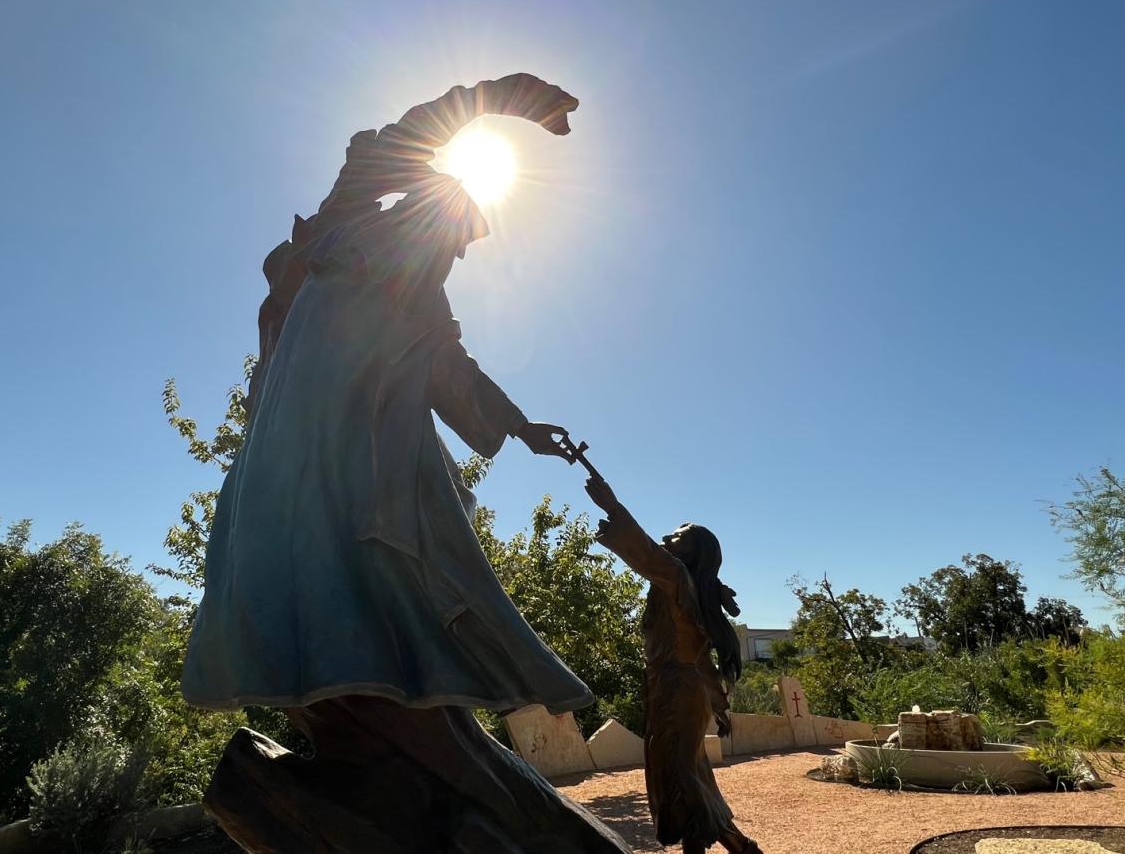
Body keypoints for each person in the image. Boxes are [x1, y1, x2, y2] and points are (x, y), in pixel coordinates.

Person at [184, 75, 629, 852]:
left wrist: (522, 428)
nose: (456, 253)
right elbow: (400, 137)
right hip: (301, 441)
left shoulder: (422, 302)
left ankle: (392, 719)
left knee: (386, 567)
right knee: (298, 555)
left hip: (372, 454)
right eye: (454, 235)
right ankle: (340, 704)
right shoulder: (347, 223)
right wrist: (508, 98)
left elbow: (453, 371)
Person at [584, 475, 762, 854]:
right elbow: (701, 656)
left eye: (677, 538)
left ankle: (715, 845)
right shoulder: (687, 586)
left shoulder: (677, 576)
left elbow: (645, 552)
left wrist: (612, 507)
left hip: (678, 689)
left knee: (681, 775)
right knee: (686, 772)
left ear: (693, 553)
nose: (668, 540)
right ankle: (741, 846)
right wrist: (716, 702)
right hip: (675, 688)